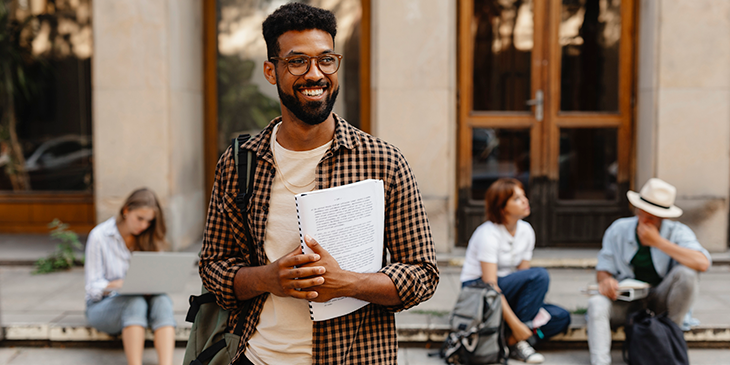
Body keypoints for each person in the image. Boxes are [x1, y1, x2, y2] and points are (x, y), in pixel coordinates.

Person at [198, 3, 439, 365]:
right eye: (297, 62)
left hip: (356, 357)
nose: (316, 74)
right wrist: (267, 278)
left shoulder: (383, 161)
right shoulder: (238, 162)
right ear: (271, 70)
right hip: (258, 356)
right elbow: (212, 266)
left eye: (326, 60)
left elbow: (423, 274)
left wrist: (349, 283)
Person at [587, 178, 712, 365]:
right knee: (596, 303)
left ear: (664, 218)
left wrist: (658, 242)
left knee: (687, 274)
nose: (644, 221)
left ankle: (669, 337)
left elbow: (702, 263)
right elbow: (604, 269)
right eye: (641, 214)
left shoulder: (677, 232)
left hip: (662, 301)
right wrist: (605, 281)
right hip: (627, 301)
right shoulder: (618, 229)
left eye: (652, 218)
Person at [460, 178, 571, 364]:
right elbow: (491, 285)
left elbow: (523, 280)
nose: (525, 201)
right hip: (481, 294)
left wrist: (522, 320)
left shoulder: (526, 231)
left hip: (506, 291)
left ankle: (510, 341)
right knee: (540, 275)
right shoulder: (488, 234)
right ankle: (519, 340)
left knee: (561, 317)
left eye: (524, 196)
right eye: (517, 198)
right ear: (502, 208)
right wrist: (516, 324)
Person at [84, 188, 175, 365]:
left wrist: (152, 285)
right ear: (126, 211)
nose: (143, 225)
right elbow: (92, 287)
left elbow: (157, 275)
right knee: (134, 302)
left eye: (149, 221)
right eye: (140, 218)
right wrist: (117, 285)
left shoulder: (149, 237)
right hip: (102, 306)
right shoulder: (99, 236)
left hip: (143, 303)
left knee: (162, 301)